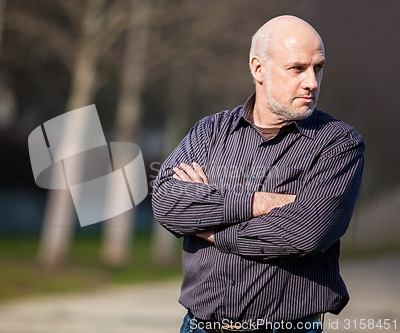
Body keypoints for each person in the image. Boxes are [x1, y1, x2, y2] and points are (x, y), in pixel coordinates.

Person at [151, 15, 365, 333]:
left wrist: (212, 231)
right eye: (297, 68)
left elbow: (307, 231)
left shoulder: (339, 144)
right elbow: (166, 202)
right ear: (258, 68)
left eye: (318, 67)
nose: (312, 82)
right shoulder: (210, 131)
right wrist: (259, 203)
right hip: (198, 327)